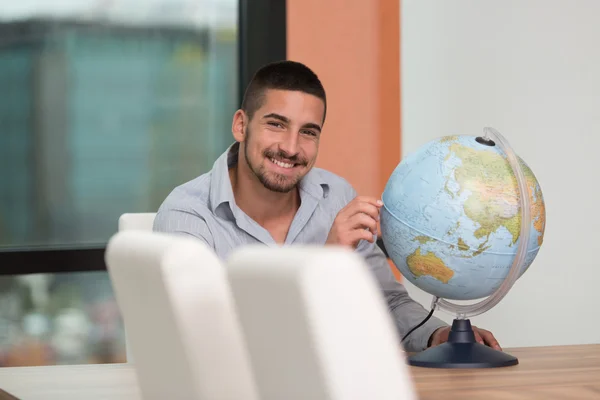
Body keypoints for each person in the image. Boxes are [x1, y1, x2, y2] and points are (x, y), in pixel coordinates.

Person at [153, 60, 501, 353]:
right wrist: (325, 260)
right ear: (241, 125)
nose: (290, 148)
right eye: (276, 125)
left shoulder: (336, 195)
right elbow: (208, 345)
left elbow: (386, 302)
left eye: (308, 132)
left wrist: (437, 336)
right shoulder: (186, 216)